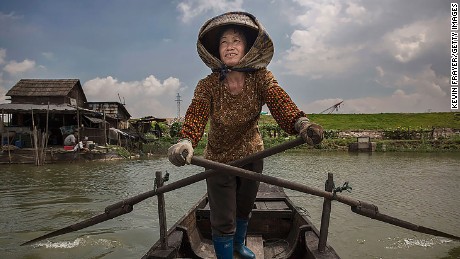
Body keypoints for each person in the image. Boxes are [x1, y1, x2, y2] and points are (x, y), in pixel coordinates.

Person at [168, 12, 324, 259]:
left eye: (236, 41)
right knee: (223, 217)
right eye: (223, 42)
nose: (229, 46)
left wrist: (301, 124)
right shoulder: (207, 85)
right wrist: (185, 140)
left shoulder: (261, 78)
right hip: (217, 159)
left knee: (243, 208)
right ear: (216, 51)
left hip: (253, 154)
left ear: (247, 47)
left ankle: (239, 245)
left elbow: (278, 100)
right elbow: (196, 114)